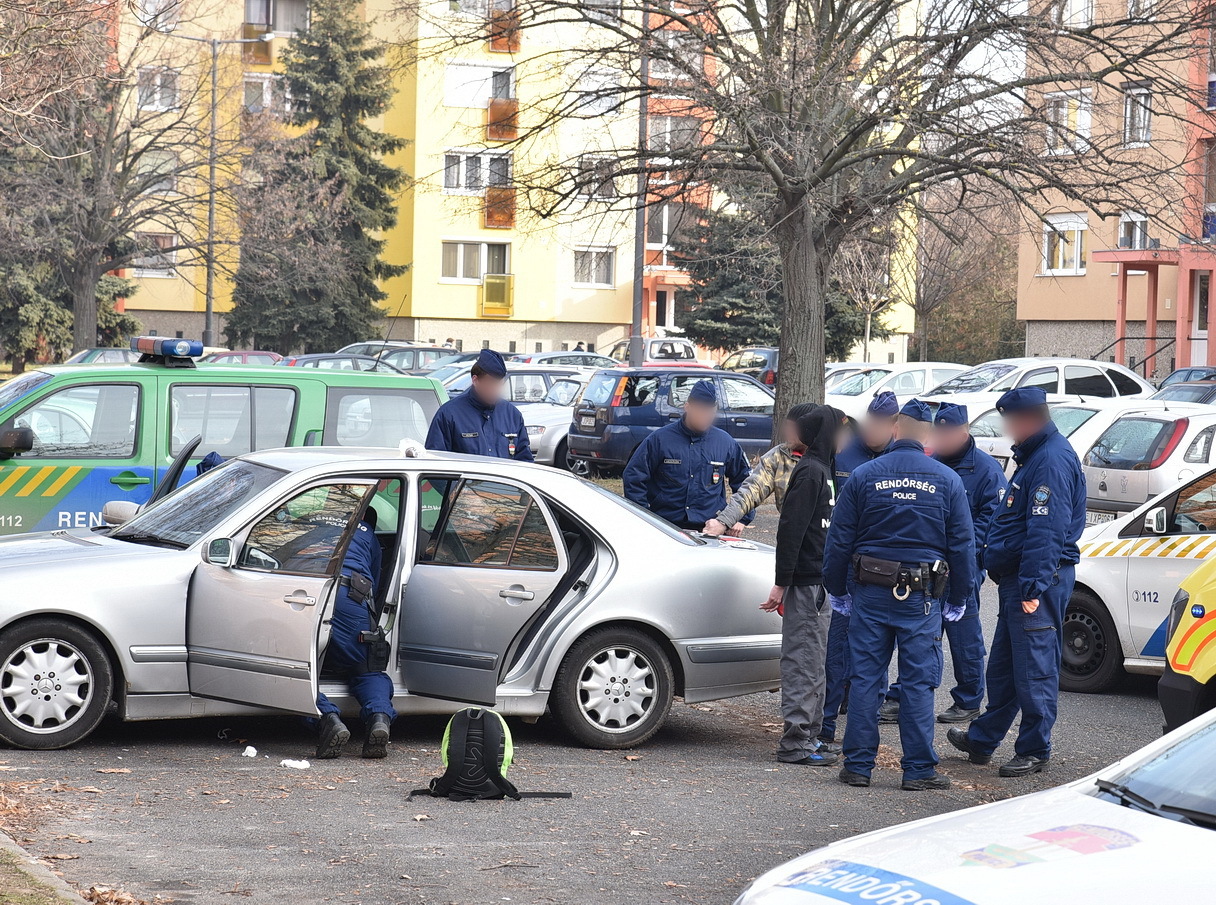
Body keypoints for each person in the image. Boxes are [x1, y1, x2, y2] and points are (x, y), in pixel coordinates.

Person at [823, 399, 975, 790]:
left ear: (895, 428)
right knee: (918, 683)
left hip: (869, 593)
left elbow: (839, 539)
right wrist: (959, 596)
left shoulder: (864, 475)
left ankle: (858, 766)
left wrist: (836, 589)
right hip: (921, 598)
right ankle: (919, 770)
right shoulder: (946, 480)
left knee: (865, 679)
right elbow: (962, 545)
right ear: (926, 434)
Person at [947, 386, 1085, 777]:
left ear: (1027, 420)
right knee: (1006, 669)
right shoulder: (1036, 454)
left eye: (1009, 421)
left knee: (1035, 669)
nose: (1007, 429)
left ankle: (1035, 749)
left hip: (1035, 581)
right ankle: (983, 739)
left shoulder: (1050, 460)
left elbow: (1047, 529)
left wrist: (1032, 587)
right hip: (1020, 578)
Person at [879, 402, 1008, 724]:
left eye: (949, 433)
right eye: (939, 432)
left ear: (963, 432)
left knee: (965, 638)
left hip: (963, 565)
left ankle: (968, 699)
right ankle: (903, 696)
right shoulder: (931, 464)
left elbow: (991, 521)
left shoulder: (986, 470)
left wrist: (960, 550)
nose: (942, 438)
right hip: (928, 567)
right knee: (919, 637)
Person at [763, 406, 848, 766]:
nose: (846, 439)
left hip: (821, 583)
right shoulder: (811, 472)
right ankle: (795, 742)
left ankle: (811, 736)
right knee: (802, 662)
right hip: (804, 585)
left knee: (815, 664)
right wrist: (782, 583)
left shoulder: (825, 469)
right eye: (840, 431)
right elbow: (790, 530)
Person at [820, 389, 899, 745]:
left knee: (873, 651)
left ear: (894, 426)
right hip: (846, 565)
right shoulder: (844, 453)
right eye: (870, 421)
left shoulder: (899, 462)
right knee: (837, 647)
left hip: (880, 573)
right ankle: (828, 720)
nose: (873, 429)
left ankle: (867, 715)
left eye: (881, 423)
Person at [315, 515, 396, 759]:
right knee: (366, 667)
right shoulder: (368, 532)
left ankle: (328, 719)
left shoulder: (311, 523)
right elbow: (375, 582)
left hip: (314, 592)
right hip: (353, 596)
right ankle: (379, 717)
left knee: (290, 666)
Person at [622, 379, 751, 530]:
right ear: (687, 407)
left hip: (709, 529)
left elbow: (746, 481)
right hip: (666, 526)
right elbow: (634, 477)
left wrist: (740, 517)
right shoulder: (660, 439)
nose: (705, 417)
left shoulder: (725, 442)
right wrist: (645, 517)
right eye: (700, 411)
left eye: (709, 412)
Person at [702, 402, 819, 538]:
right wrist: (723, 522)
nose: (787, 433)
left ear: (809, 430)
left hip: (828, 539)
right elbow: (752, 490)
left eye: (793, 428)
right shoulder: (779, 456)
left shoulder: (832, 458)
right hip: (793, 537)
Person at [424, 349, 533, 461]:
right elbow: (435, 460)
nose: (496, 390)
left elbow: (525, 460)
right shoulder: (449, 414)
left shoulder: (512, 415)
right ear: (475, 381)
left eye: (499, 385)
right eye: (491, 384)